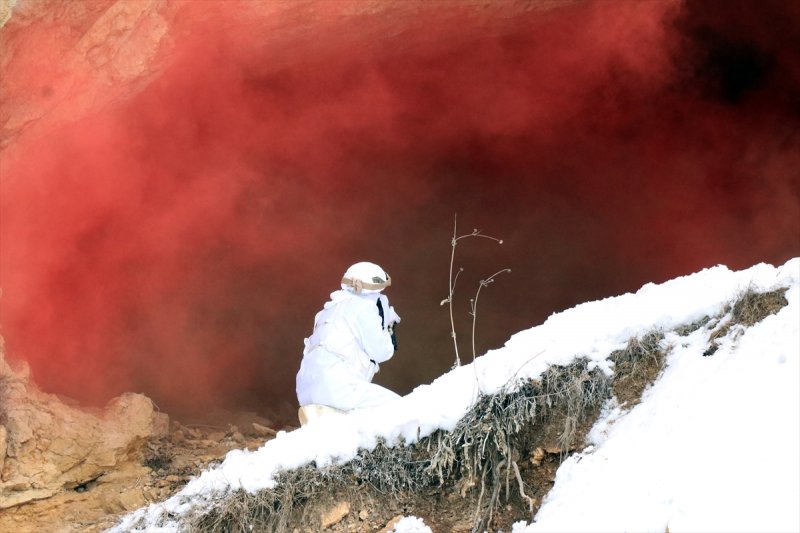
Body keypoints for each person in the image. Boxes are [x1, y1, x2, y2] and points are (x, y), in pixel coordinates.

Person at [296, 261, 401, 423]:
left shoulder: (327, 310)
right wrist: (389, 330)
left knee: (356, 417)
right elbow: (381, 352)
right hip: (338, 388)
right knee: (401, 410)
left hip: (306, 391)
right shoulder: (363, 308)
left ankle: (325, 418)